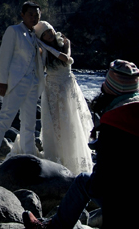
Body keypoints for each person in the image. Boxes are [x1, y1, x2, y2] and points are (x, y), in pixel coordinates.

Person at [23, 59, 139, 229]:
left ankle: (52, 228)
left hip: (129, 209)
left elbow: (100, 183)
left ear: (110, 92)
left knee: (83, 181)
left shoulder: (113, 126)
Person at [0, 1, 45, 164]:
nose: (34, 17)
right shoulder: (14, 31)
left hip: (33, 83)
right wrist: (2, 82)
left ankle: (28, 152)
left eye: (37, 15)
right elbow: (4, 57)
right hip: (16, 82)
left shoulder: (37, 35)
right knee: (5, 118)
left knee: (30, 121)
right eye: (31, 14)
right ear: (22, 15)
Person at [34, 21, 93, 175]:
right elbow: (40, 68)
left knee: (72, 120)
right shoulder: (42, 50)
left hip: (67, 85)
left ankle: (73, 159)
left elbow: (66, 59)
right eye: (44, 34)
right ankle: (57, 158)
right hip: (52, 87)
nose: (48, 35)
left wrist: (45, 45)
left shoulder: (64, 43)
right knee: (56, 123)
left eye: (49, 31)